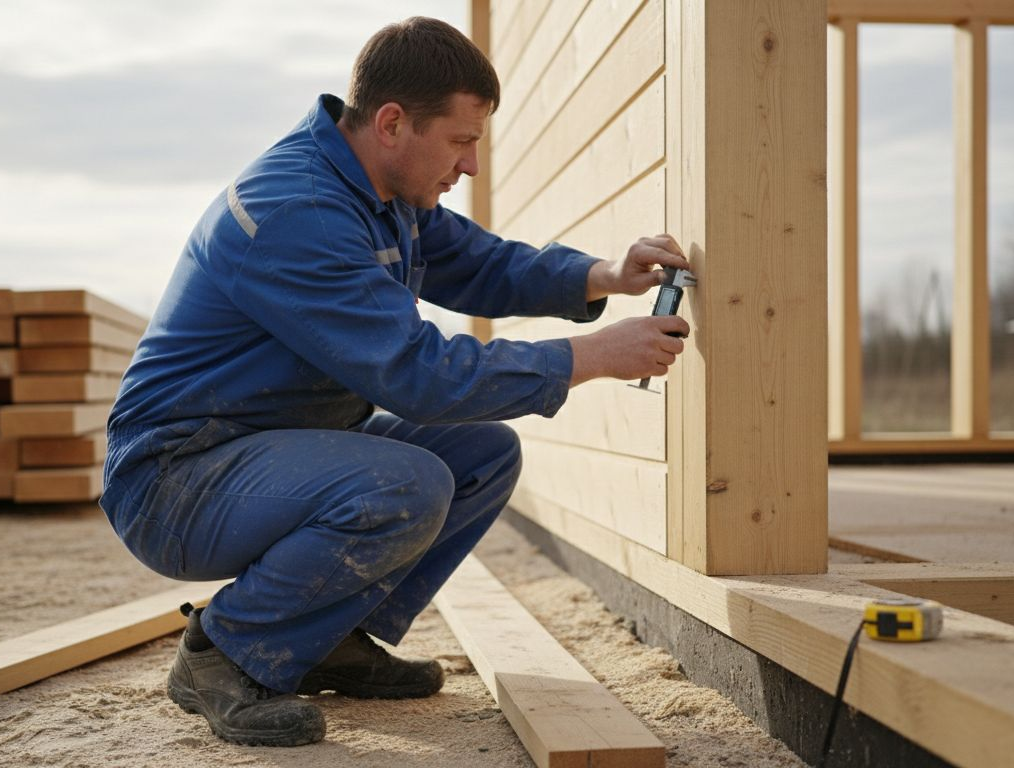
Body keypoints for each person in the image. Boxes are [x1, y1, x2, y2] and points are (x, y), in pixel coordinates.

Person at [100, 16, 690, 747]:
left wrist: (602, 275)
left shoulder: (383, 191)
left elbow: (481, 264)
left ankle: (330, 638)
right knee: (407, 482)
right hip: (174, 482)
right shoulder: (302, 211)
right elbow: (416, 376)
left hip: (253, 452)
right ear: (391, 123)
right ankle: (222, 653)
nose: (470, 165)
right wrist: (593, 356)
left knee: (480, 455)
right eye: (463, 141)